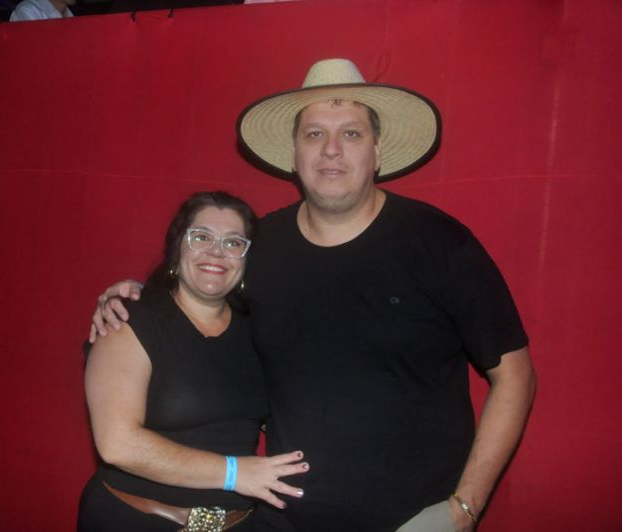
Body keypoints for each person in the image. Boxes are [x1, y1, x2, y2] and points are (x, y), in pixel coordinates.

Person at [90, 59, 537, 531]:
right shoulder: (259, 249)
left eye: (351, 133)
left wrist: (463, 509)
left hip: (416, 521)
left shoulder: (440, 242)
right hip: (286, 520)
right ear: (294, 154)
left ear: (377, 151)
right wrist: (135, 294)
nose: (331, 150)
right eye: (314, 134)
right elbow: (200, 293)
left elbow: (515, 374)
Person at [78, 191, 309, 531]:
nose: (216, 252)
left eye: (233, 243)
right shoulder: (128, 320)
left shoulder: (258, 330)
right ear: (177, 248)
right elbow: (117, 444)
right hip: (138, 521)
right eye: (201, 237)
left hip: (239, 523)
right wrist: (233, 473)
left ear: (247, 259)